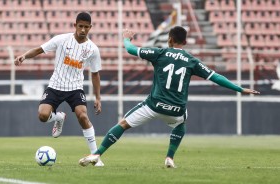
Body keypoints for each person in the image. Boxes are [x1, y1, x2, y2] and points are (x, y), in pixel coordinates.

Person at [78, 26, 260, 168]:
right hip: (176, 109)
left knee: (123, 124)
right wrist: (239, 88)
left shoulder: (160, 53)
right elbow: (216, 77)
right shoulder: (192, 61)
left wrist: (126, 38)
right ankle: (169, 157)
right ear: (185, 42)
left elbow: (132, 50)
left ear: (170, 39)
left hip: (154, 105)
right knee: (181, 123)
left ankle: (97, 153)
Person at [14, 12, 104, 166]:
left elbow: (95, 74)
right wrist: (24, 56)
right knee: (43, 116)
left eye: (86, 27)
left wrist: (97, 97)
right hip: (55, 85)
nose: (83, 30)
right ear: (74, 25)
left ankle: (95, 157)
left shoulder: (92, 49)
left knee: (83, 116)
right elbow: (40, 49)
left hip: (75, 88)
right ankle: (58, 117)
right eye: (80, 26)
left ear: (90, 28)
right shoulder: (62, 39)